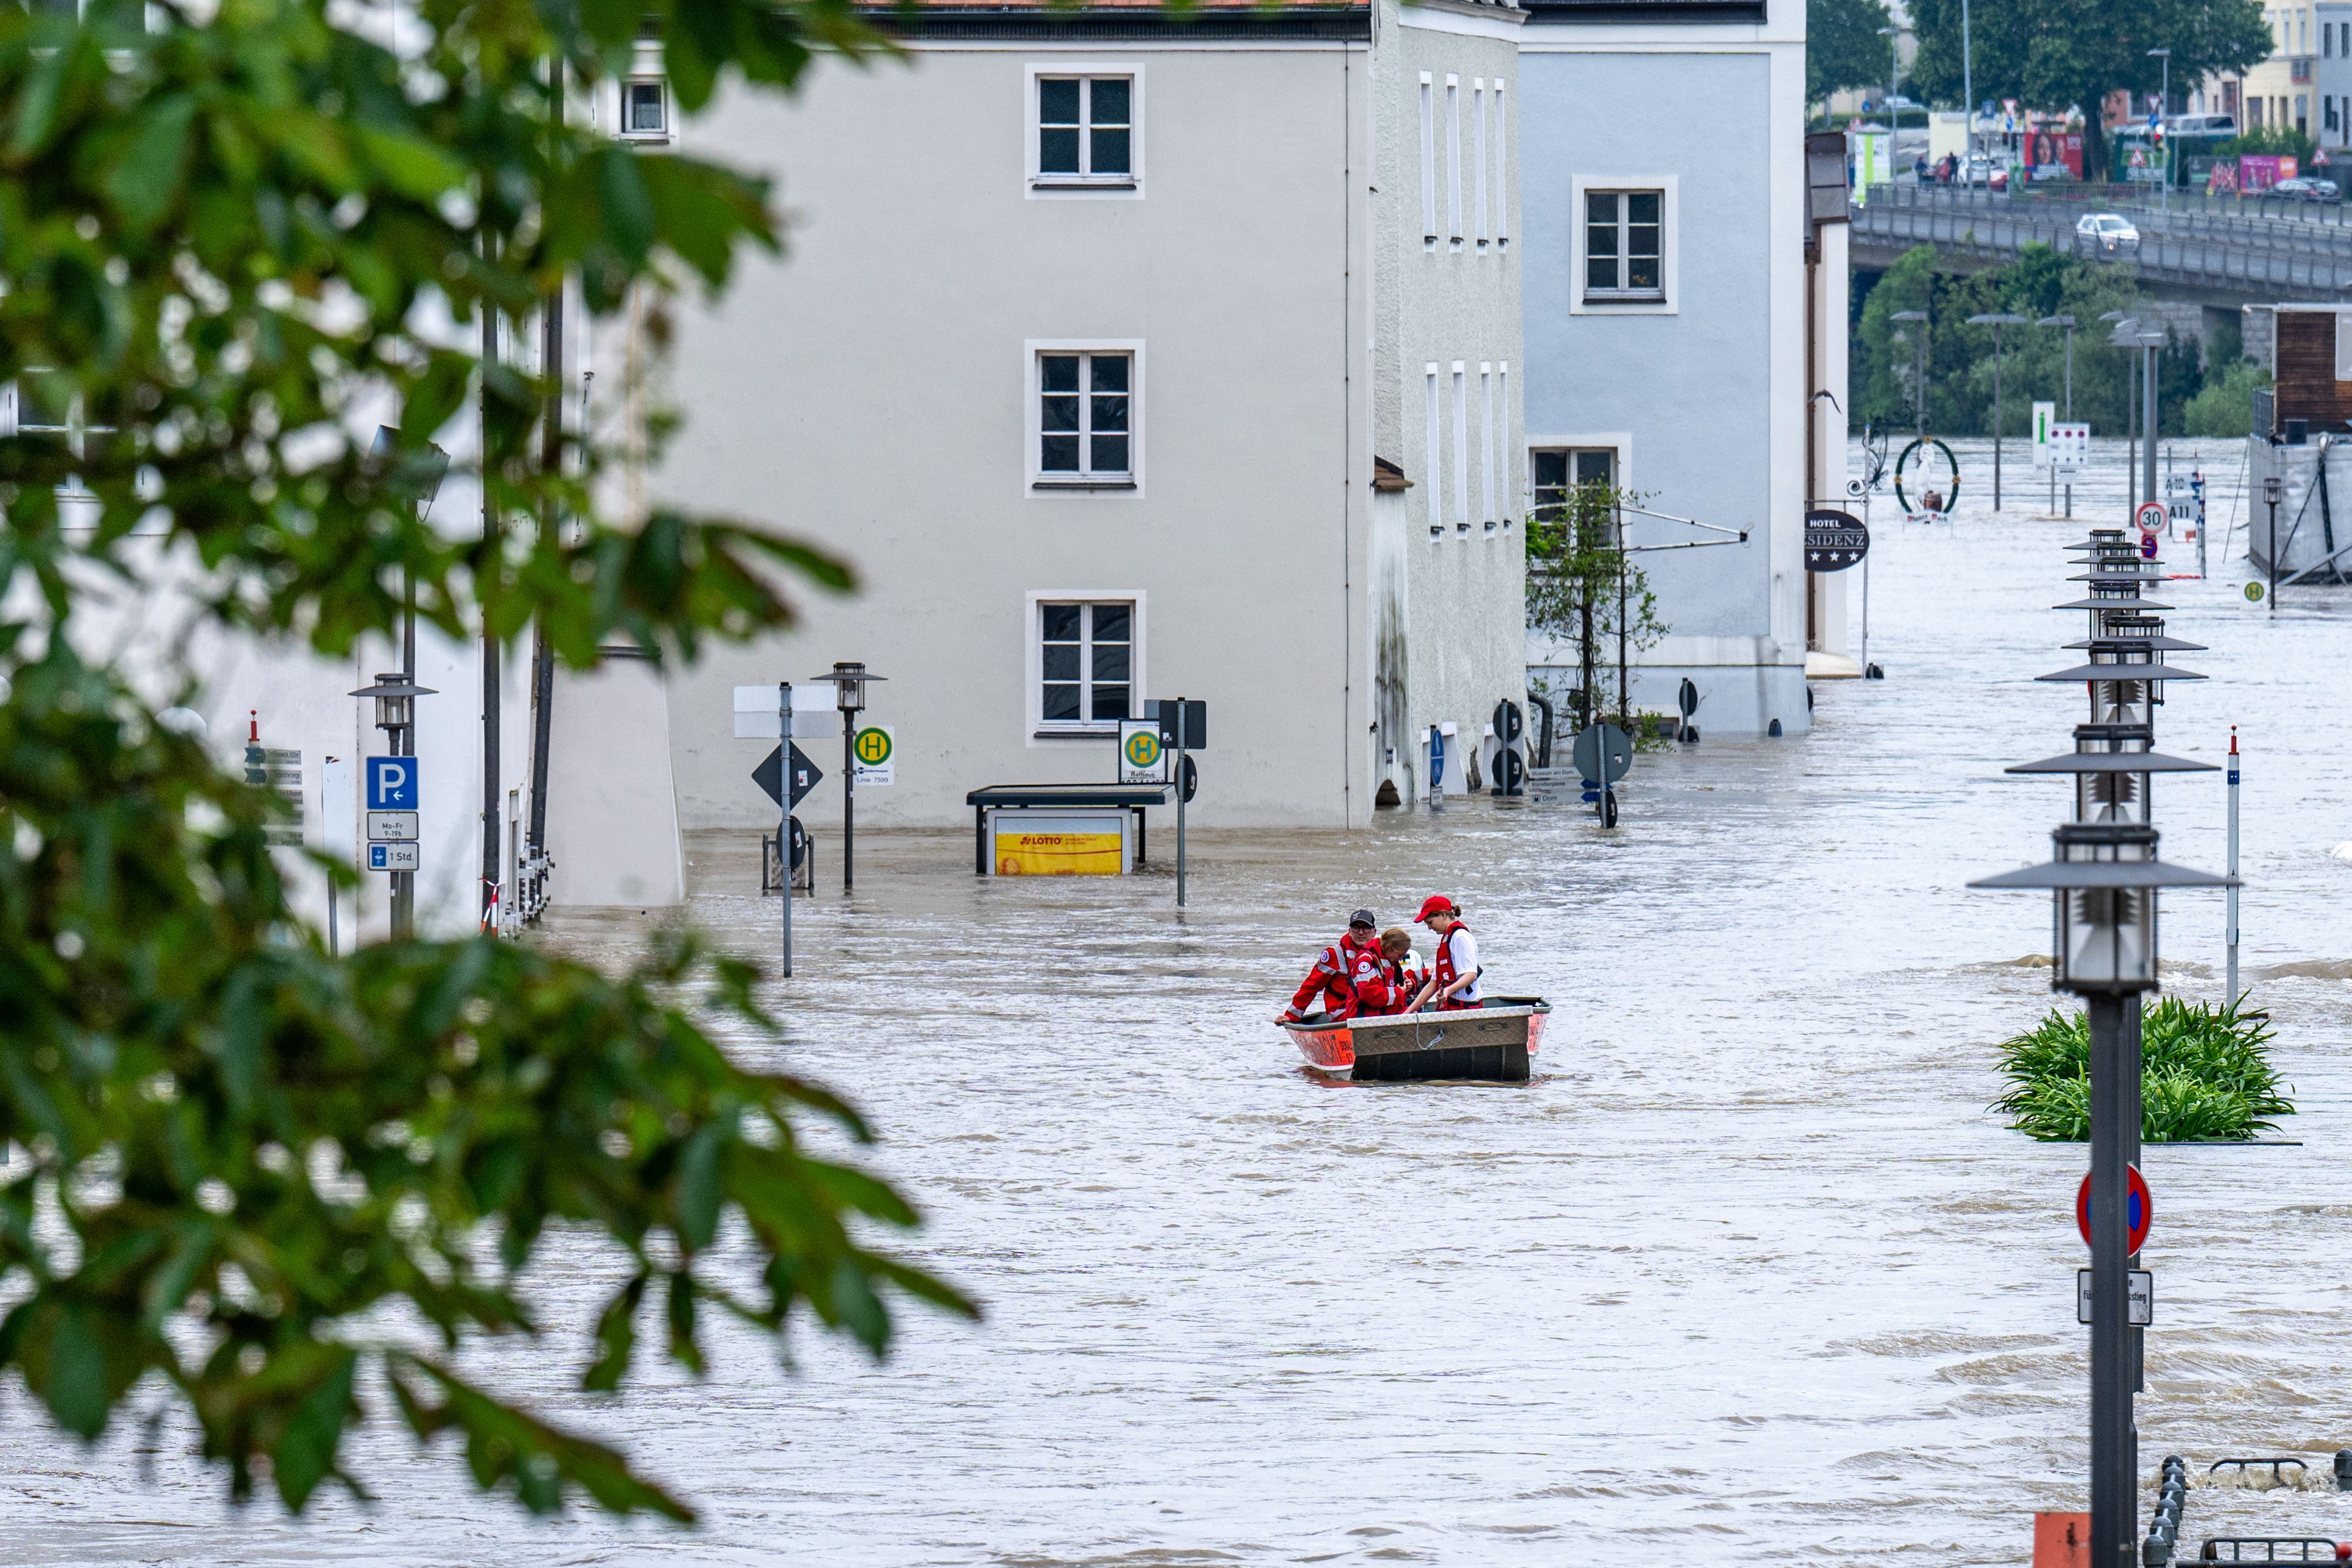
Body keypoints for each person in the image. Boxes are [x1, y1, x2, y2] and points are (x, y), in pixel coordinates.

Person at [1282, 910, 1389, 1022]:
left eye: (1366, 928)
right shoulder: (1334, 955)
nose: (1361, 932)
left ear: (1374, 932)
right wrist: (1292, 1015)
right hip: (1342, 1013)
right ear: (1349, 931)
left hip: (1371, 1010)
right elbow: (1311, 986)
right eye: (1356, 928)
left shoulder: (1383, 954)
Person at [1409, 895, 1483, 1011]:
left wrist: (1448, 990)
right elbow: (1433, 984)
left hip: (1467, 1009)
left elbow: (1471, 974)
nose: (1429, 928)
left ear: (1444, 915)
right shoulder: (1447, 939)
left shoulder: (1460, 937)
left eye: (1430, 922)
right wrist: (1408, 1012)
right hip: (1452, 1006)